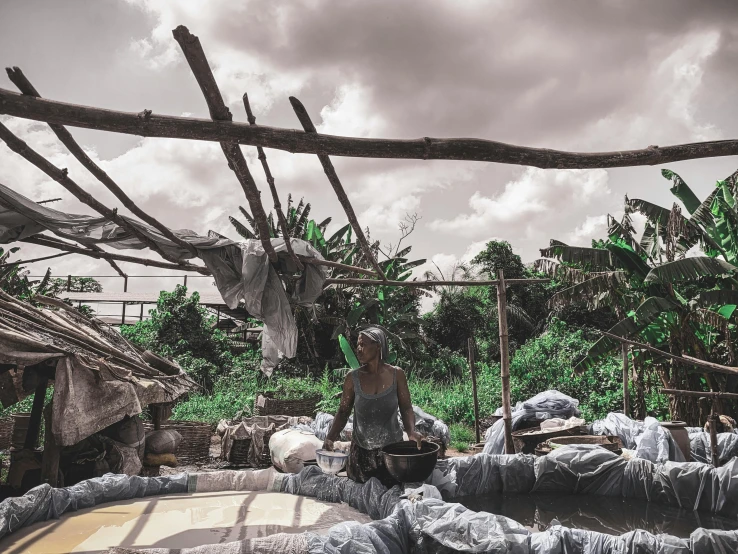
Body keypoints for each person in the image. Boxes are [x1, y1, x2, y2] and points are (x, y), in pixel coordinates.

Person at [322, 326, 423, 486]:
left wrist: (411, 431)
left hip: (390, 454)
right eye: (357, 345)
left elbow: (406, 408)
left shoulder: (397, 375)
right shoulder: (352, 378)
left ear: (378, 346)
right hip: (361, 456)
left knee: (390, 498)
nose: (358, 349)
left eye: (363, 345)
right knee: (360, 503)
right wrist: (330, 438)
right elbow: (343, 412)